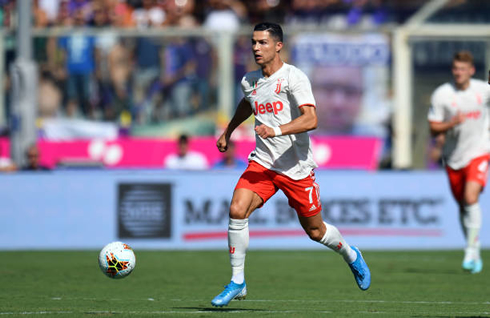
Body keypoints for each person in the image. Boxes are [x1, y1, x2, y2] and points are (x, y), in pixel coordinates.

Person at [211, 22, 371, 308]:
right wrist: (229, 131)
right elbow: (248, 103)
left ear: (278, 45)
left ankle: (350, 253)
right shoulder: (249, 80)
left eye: (262, 43)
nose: (256, 48)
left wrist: (277, 130)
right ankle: (237, 281)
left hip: (295, 167)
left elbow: (311, 119)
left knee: (315, 232)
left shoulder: (294, 78)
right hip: (263, 163)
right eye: (253, 42)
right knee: (237, 209)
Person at [427, 51, 490, 274]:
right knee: (463, 205)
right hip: (454, 158)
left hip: (480, 152)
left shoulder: (483, 91)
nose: (459, 73)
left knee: (471, 197)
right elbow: (433, 127)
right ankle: (473, 247)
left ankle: (471, 250)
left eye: (463, 69)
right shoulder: (442, 95)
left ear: (471, 71)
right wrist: (450, 123)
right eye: (455, 69)